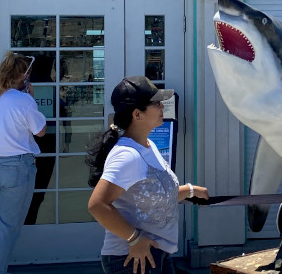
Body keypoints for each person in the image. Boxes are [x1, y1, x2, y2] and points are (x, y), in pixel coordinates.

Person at [87, 76, 208, 274]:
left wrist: (190, 190)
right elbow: (97, 205)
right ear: (137, 114)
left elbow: (150, 196)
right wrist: (134, 239)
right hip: (132, 259)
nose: (162, 106)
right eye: (156, 103)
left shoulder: (148, 146)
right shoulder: (127, 155)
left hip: (155, 254)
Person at [0, 51, 47, 274]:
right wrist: (31, 99)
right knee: (7, 229)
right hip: (16, 168)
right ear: (24, 76)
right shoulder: (23, 100)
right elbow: (40, 131)